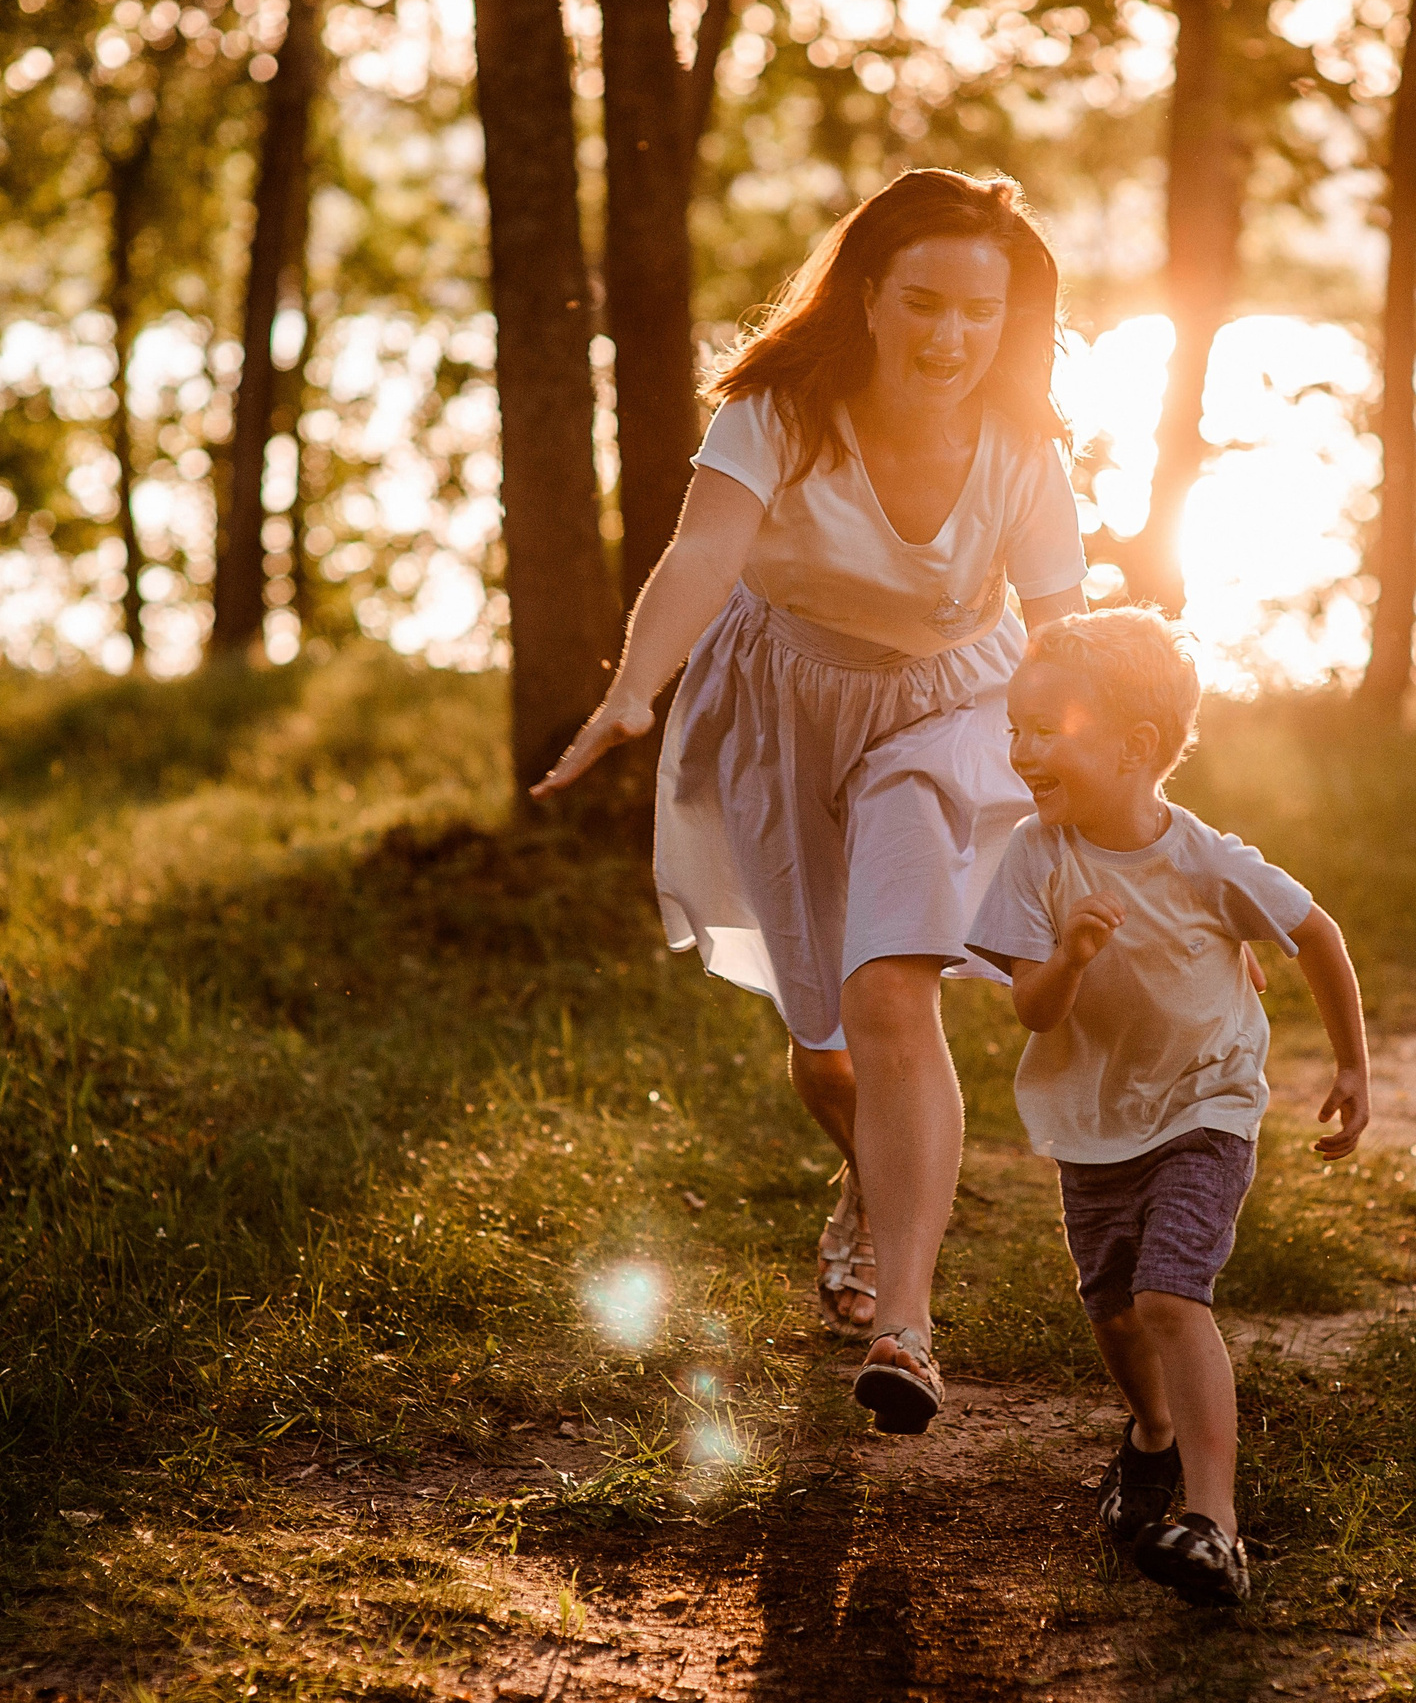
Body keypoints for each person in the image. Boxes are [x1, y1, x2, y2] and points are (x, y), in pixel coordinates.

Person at [532, 169, 1087, 1434]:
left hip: (944, 715)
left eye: (981, 313)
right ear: (871, 297)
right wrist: (630, 693)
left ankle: (907, 1325)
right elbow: (702, 553)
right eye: (926, 303)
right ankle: (868, 1174)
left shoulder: (1021, 447)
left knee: (893, 988)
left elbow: (1062, 629)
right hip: (785, 705)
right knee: (825, 1040)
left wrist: (1119, 786)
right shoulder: (778, 411)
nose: (952, 337)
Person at [964, 608, 1372, 1605]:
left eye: (1045, 728)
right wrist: (1067, 955)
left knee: (1168, 1296)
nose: (1021, 750)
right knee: (1110, 1304)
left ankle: (1213, 1523)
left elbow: (1315, 931)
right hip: (1095, 1118)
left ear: (1135, 746)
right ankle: (1148, 1430)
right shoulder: (1032, 855)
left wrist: (1354, 1065)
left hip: (1206, 1105)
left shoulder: (1206, 859)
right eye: (1013, 728)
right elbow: (1030, 1007)